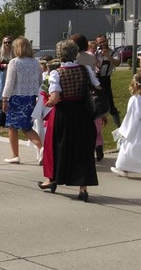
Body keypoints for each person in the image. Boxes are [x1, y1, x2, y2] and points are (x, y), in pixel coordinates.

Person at [38, 39, 99, 201]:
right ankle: (83, 189)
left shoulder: (56, 73)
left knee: (59, 147)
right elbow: (97, 86)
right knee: (83, 150)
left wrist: (48, 102)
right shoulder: (85, 69)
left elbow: (55, 98)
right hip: (83, 113)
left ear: (60, 55)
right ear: (76, 53)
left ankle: (53, 179)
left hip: (64, 114)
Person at [0, 37, 43, 164]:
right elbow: (40, 81)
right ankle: (41, 148)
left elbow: (9, 83)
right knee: (27, 126)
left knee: (12, 126)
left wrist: (4, 98)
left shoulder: (14, 62)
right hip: (31, 98)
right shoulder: (35, 62)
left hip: (17, 99)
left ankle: (16, 154)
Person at [110, 74, 141, 178]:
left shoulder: (134, 99)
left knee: (128, 147)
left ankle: (122, 167)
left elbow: (131, 117)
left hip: (136, 128)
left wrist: (124, 131)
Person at [72, 33, 106, 162]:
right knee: (94, 118)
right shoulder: (91, 57)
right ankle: (98, 143)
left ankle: (84, 149)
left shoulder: (74, 58)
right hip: (92, 88)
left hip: (79, 90)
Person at [94, 34, 122, 125]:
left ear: (107, 40)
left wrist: (108, 56)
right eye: (100, 42)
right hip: (95, 79)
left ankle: (119, 126)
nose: (102, 44)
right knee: (95, 103)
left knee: (110, 104)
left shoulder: (113, 52)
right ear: (97, 43)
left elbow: (117, 63)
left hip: (105, 79)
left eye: (104, 41)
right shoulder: (95, 52)